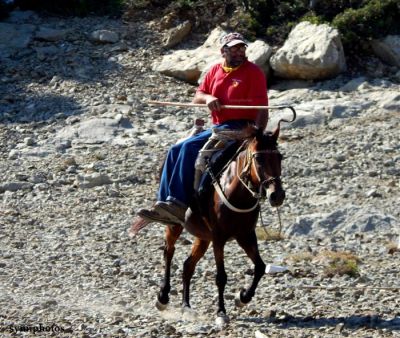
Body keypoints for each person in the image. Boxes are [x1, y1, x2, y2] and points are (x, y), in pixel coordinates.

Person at [138, 32, 268, 225]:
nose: (240, 52)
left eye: (242, 48)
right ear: (223, 51)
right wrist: (209, 98)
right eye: (234, 48)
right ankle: (163, 203)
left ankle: (178, 203)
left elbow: (262, 108)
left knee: (189, 148)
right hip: (219, 126)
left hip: (240, 126)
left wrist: (256, 134)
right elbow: (198, 95)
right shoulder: (215, 70)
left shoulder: (253, 72)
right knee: (175, 149)